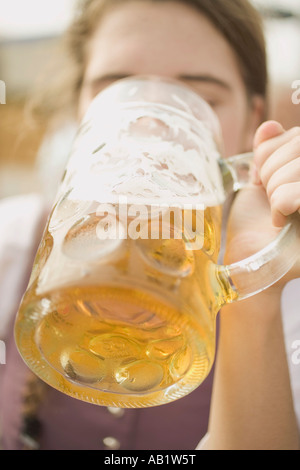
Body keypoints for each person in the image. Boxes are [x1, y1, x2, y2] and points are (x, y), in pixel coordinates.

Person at [0, 0, 300, 450]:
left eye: (201, 97)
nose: (150, 124)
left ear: (251, 126)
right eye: (120, 89)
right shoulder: (9, 242)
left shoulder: (290, 298)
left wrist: (256, 289)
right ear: (77, 112)